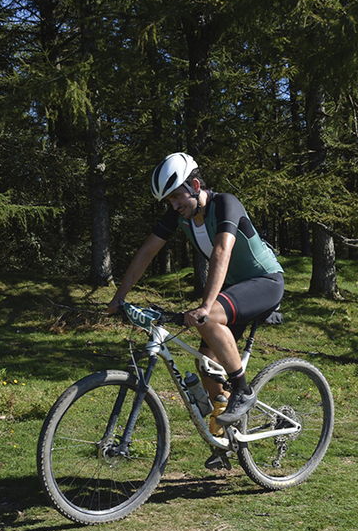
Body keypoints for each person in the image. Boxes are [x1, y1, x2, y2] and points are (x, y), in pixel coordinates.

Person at [107, 153, 284, 466]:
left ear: (196, 186)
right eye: (169, 200)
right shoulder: (180, 216)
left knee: (209, 318)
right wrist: (119, 297)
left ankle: (243, 391)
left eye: (177, 196)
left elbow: (222, 251)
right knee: (206, 366)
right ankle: (225, 441)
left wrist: (205, 306)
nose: (174, 205)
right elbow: (147, 252)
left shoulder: (225, 203)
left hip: (265, 281)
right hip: (233, 290)